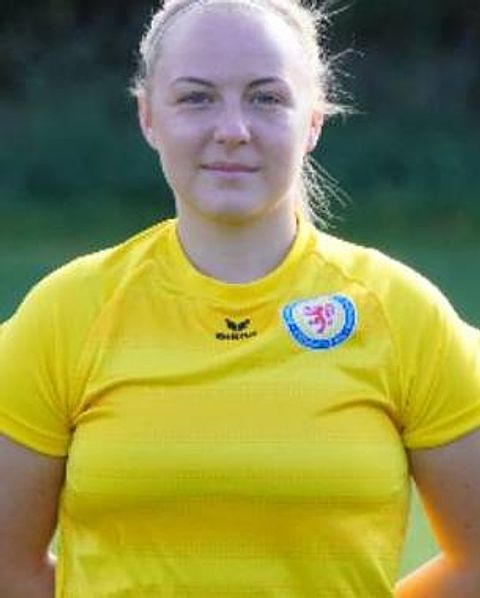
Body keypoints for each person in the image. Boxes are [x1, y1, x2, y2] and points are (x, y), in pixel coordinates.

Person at [0, 0, 479, 595]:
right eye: (196, 98)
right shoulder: (64, 315)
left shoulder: (403, 314)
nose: (232, 130)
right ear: (149, 117)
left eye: (266, 98)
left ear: (313, 121)